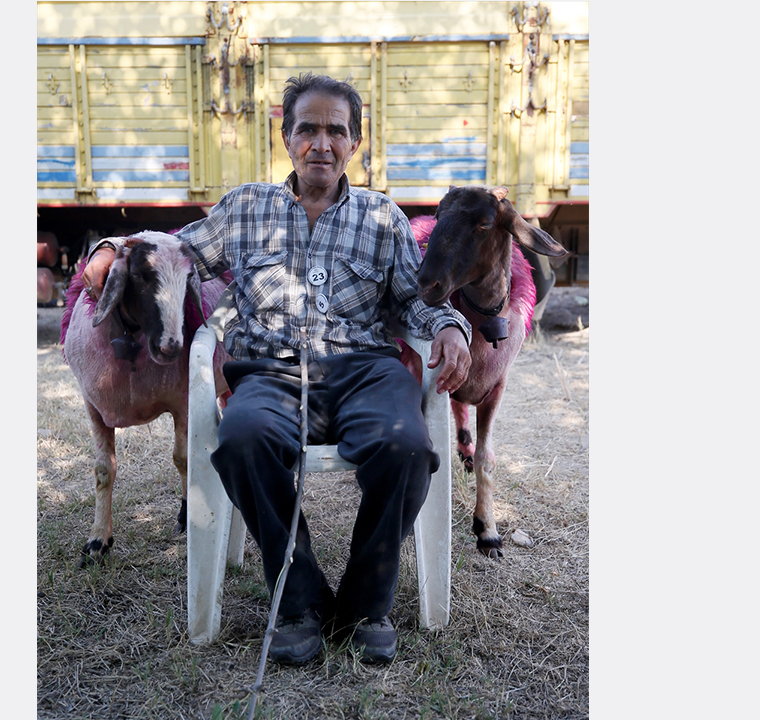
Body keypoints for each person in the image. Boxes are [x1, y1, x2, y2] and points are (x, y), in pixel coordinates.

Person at [82, 73, 471, 665]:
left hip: (365, 369)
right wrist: (107, 250)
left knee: (407, 448)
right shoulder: (245, 208)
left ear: (355, 143)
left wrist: (448, 326)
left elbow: (415, 299)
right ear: (286, 139)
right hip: (271, 371)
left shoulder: (382, 216)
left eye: (336, 131)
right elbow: (170, 249)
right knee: (241, 439)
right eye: (307, 129)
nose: (322, 143)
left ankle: (366, 606)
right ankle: (299, 600)